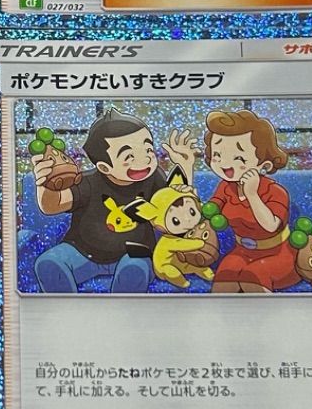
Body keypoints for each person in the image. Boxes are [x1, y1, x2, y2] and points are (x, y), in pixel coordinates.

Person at [31, 112, 196, 293]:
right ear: (104, 167)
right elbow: (52, 206)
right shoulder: (88, 182)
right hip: (82, 252)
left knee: (134, 271)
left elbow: (177, 209)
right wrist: (45, 183)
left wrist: (186, 166)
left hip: (135, 252)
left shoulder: (154, 178)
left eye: (148, 150)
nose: (145, 159)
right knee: (48, 264)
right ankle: (68, 310)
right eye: (129, 156)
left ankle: (121, 311)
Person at [198, 109, 301, 293]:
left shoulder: (276, 191)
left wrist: (252, 194)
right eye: (218, 155)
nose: (225, 164)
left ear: (264, 165)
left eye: (238, 157)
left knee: (253, 275)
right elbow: (210, 210)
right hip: (241, 251)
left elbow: (271, 226)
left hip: (278, 253)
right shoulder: (225, 186)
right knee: (225, 275)